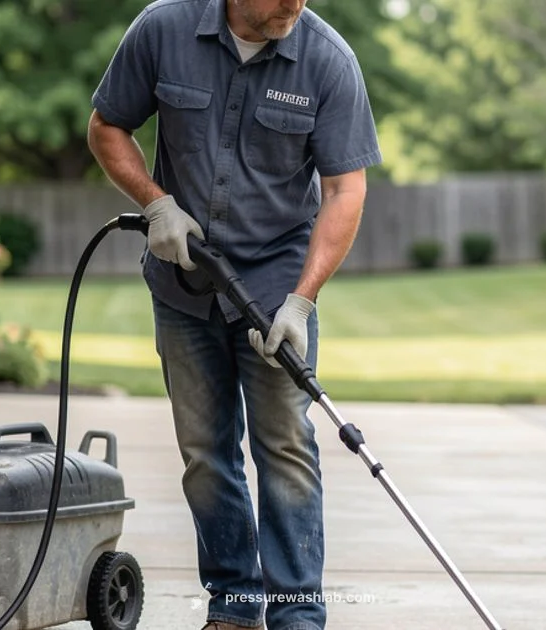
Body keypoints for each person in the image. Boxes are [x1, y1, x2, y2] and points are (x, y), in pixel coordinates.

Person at [88, 0, 381, 628]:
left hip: (276, 289)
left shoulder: (327, 60)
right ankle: (235, 606)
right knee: (205, 453)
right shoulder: (163, 30)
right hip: (183, 287)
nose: (294, 6)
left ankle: (298, 614)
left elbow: (344, 190)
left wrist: (302, 300)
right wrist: (156, 203)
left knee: (285, 448)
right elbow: (106, 127)